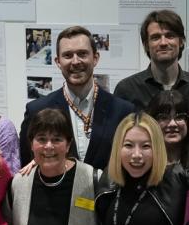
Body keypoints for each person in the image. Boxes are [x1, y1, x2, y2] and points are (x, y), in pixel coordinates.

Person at [19, 25, 135, 170]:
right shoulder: (37, 110)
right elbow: (27, 164)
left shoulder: (122, 111)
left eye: (82, 54)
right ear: (58, 62)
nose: (75, 61)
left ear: (95, 58)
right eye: (67, 55)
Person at [113, 10, 189, 129]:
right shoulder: (126, 90)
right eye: (155, 37)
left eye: (170, 36)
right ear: (146, 44)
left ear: (181, 41)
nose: (163, 43)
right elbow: (119, 138)